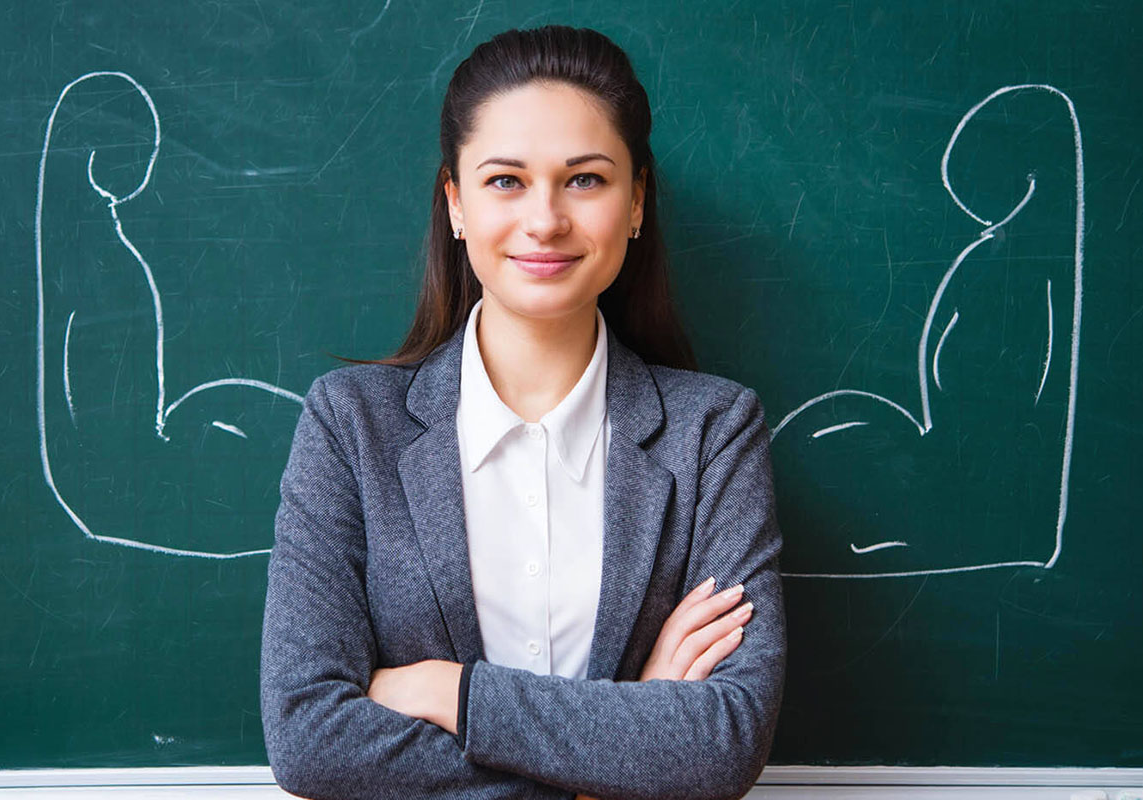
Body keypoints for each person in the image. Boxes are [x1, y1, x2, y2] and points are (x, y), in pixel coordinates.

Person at [260, 25, 786, 800]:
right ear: (456, 204)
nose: (545, 220)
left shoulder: (715, 434)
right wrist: (619, 746)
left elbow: (724, 743)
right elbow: (309, 738)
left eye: (585, 180)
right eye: (505, 180)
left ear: (637, 201)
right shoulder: (350, 426)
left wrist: (452, 693)